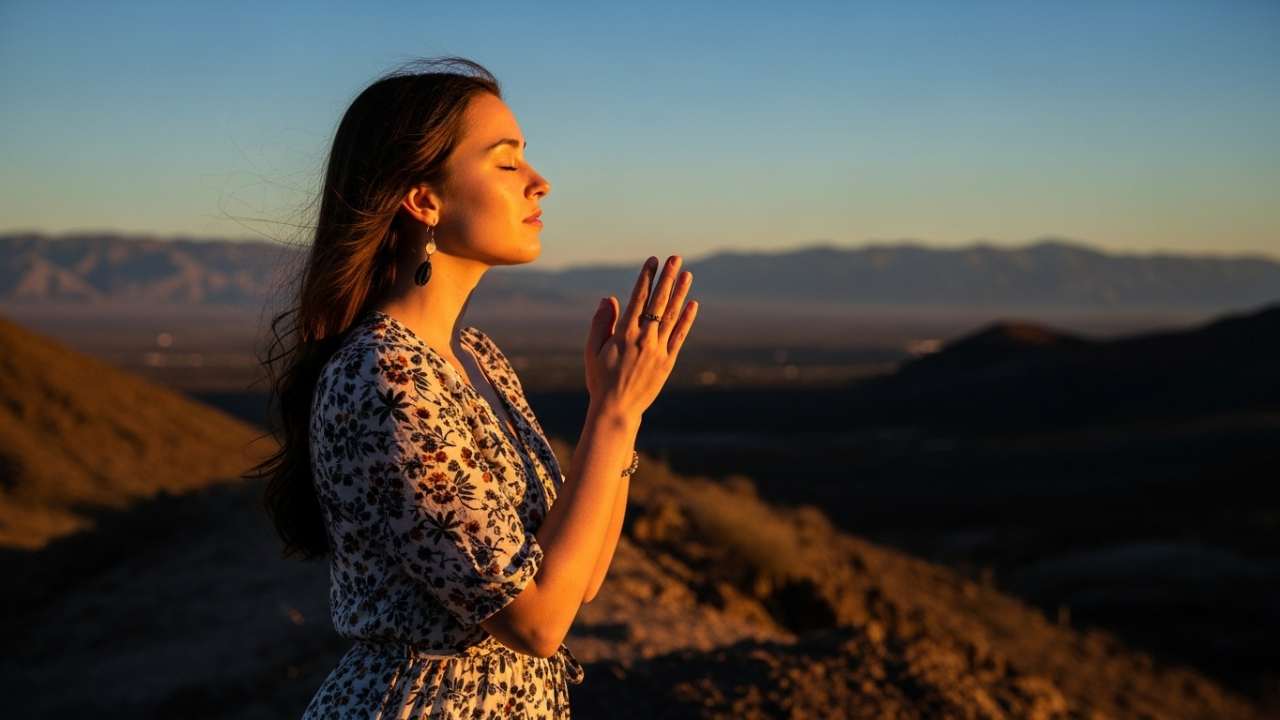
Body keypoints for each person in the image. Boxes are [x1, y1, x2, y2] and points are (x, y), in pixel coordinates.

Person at [245, 56, 698, 719]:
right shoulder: (385, 374)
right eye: (507, 162)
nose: (539, 183)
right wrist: (613, 413)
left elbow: (579, 582)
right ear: (423, 198)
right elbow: (537, 623)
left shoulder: (475, 358)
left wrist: (618, 414)